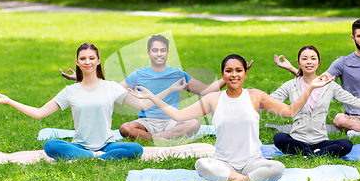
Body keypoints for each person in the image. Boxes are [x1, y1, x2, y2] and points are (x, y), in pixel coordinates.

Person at [127, 54, 333, 181]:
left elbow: (289, 111)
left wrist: (311, 87)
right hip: (223, 163)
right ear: (223, 75)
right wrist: (153, 97)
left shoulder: (255, 96)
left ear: (245, 74)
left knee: (278, 168)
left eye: (238, 70)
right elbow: (178, 115)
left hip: (253, 161)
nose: (234, 75)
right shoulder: (213, 99)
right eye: (229, 71)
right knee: (201, 164)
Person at [0, 43, 181, 162]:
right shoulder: (70, 91)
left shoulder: (111, 87)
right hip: (79, 146)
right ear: (77, 62)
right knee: (50, 145)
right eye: (83, 58)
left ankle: (97, 158)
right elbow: (39, 113)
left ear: (98, 61)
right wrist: (9, 100)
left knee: (136, 149)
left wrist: (169, 90)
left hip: (107, 145)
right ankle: (95, 159)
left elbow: (143, 105)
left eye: (91, 58)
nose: (87, 61)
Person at [60, 35, 247, 141]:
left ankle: (156, 140)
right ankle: (162, 140)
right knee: (126, 128)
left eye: (163, 50)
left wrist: (230, 76)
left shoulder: (177, 74)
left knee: (194, 124)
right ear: (149, 53)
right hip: (147, 122)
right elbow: (110, 89)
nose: (159, 53)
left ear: (167, 52)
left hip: (171, 121)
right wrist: (81, 76)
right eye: (155, 50)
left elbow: (206, 91)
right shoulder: (138, 74)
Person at [271, 45, 360, 157]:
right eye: (304, 59)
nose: (309, 62)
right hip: (297, 139)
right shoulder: (290, 85)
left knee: (346, 144)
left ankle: (307, 154)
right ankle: (313, 154)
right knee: (279, 138)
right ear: (299, 63)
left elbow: (358, 103)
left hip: (321, 141)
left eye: (313, 58)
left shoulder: (330, 86)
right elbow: (269, 101)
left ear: (319, 62)